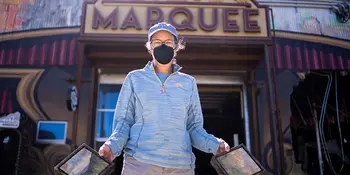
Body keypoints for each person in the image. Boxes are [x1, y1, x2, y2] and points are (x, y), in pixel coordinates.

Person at [99, 22, 230, 175]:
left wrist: (216, 145)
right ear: (150, 47)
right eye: (157, 42)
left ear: (176, 47)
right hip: (140, 163)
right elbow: (123, 123)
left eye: (168, 42)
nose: (163, 46)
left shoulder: (188, 83)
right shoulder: (134, 78)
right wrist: (111, 145)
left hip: (180, 166)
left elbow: (194, 128)